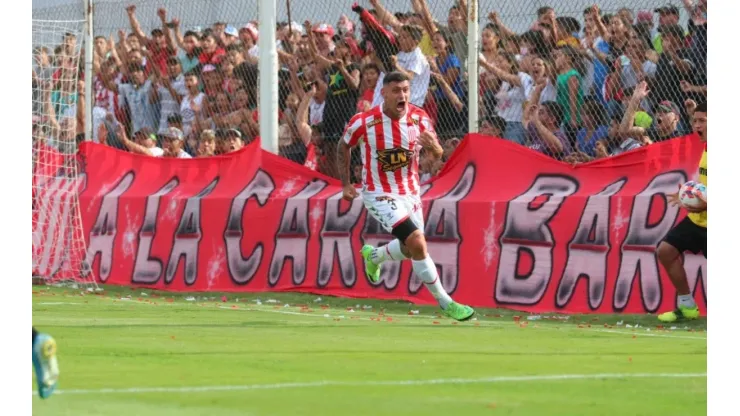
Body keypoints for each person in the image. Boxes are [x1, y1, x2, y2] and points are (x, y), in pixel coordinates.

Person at [336, 71, 475, 321]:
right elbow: (343, 145)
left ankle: (374, 256)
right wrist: (346, 183)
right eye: (397, 91)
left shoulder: (419, 118)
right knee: (418, 242)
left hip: (410, 193)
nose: (403, 95)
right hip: (379, 193)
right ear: (384, 94)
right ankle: (446, 302)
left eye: (406, 90)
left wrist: (436, 149)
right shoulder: (365, 121)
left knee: (409, 248)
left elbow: (436, 154)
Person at [656, 101, 707, 323]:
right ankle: (687, 306)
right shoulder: (707, 146)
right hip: (698, 219)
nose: (696, 125)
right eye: (694, 121)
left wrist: (703, 204)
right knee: (665, 251)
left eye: (702, 121)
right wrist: (688, 197)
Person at [32, 327, 59, 399]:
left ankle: (50, 383)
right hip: (46, 339)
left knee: (44, 381)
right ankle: (53, 377)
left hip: (36, 345)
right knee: (51, 369)